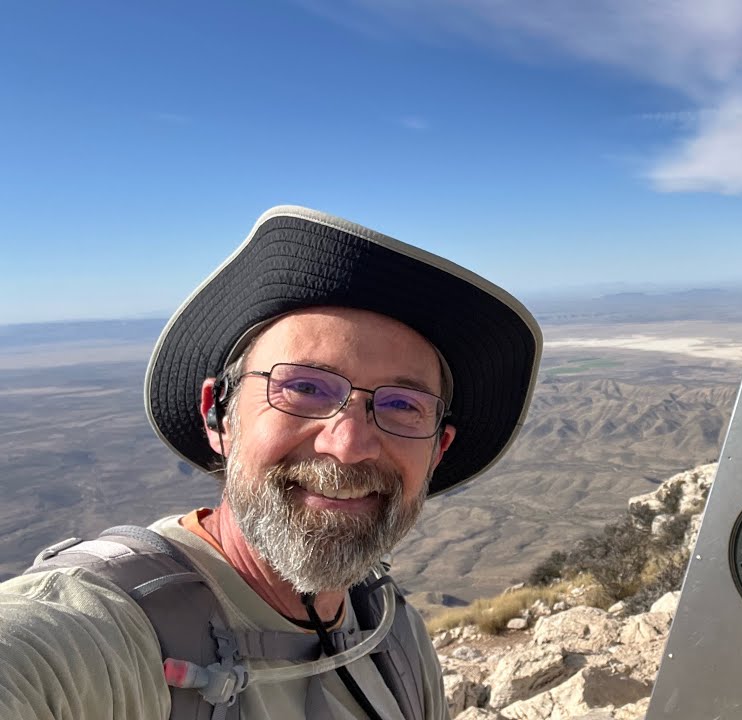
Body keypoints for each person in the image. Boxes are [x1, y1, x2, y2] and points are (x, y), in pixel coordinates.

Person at [0, 206, 542, 719]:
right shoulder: (99, 633)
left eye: (402, 405)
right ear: (220, 417)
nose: (348, 444)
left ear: (436, 451)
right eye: (304, 386)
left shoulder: (394, 638)